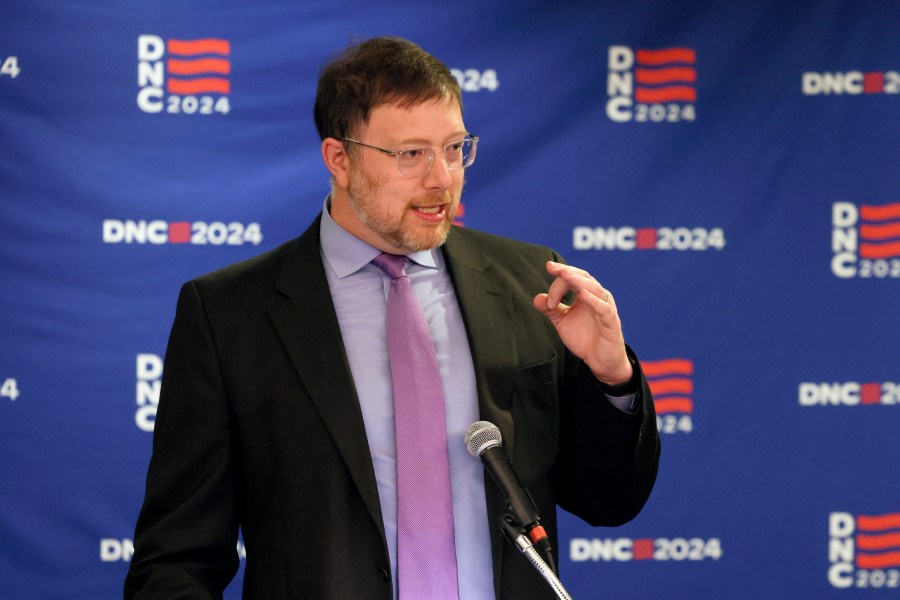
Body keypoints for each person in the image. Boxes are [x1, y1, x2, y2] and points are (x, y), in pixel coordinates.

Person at [124, 36, 660, 600]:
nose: (442, 178)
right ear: (339, 159)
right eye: (411, 154)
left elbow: (611, 501)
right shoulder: (230, 315)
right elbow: (178, 560)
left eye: (454, 148)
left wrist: (611, 377)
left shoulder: (531, 284)